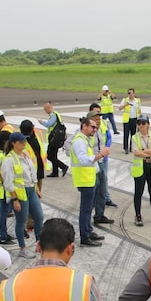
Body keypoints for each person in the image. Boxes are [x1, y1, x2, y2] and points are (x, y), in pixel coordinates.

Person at [1, 132, 45, 258]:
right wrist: (15, 199)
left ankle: (39, 242)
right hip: (20, 194)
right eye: (21, 142)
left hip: (31, 191)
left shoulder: (25, 155)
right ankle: (22, 248)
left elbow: (32, 173)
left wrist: (36, 188)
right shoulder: (9, 160)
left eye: (24, 141)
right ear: (13, 143)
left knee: (39, 217)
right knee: (21, 221)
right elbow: (8, 182)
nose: (24, 143)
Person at [70, 117, 107, 247]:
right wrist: (101, 155)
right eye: (92, 127)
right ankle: (84, 236)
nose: (94, 129)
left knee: (88, 208)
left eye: (96, 127)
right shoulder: (79, 141)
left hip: (89, 178)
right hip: (84, 180)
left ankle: (88, 231)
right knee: (85, 210)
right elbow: (83, 160)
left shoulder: (85, 140)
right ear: (84, 126)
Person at [131, 115, 151, 226]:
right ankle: (138, 215)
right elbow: (136, 152)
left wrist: (144, 151)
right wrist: (149, 153)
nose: (141, 126)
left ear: (148, 124)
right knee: (138, 193)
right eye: (139, 123)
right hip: (140, 168)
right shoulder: (135, 137)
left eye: (143, 123)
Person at [88, 108, 117, 226]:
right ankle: (87, 219)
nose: (99, 121)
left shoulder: (100, 130)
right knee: (93, 193)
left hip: (102, 162)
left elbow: (106, 140)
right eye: (96, 119)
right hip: (92, 164)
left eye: (99, 119)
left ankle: (99, 215)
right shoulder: (85, 132)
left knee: (102, 191)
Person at [40, 102, 69, 177]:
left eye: (45, 109)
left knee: (49, 156)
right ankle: (55, 172)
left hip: (54, 138)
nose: (45, 111)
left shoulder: (53, 115)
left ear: (49, 108)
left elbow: (49, 124)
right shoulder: (55, 114)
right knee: (54, 156)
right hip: (55, 138)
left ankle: (63, 166)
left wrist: (42, 122)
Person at [20, 119, 44, 199]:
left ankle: (38, 194)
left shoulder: (37, 133)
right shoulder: (21, 138)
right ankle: (35, 195)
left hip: (38, 160)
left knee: (39, 177)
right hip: (29, 163)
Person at [119, 88, 142, 153]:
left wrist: (140, 119)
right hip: (127, 120)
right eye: (128, 93)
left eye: (131, 93)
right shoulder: (125, 100)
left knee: (133, 134)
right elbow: (120, 108)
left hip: (134, 119)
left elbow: (139, 110)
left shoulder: (137, 101)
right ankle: (126, 148)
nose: (129, 95)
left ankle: (132, 147)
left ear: (134, 94)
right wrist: (125, 105)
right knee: (126, 134)